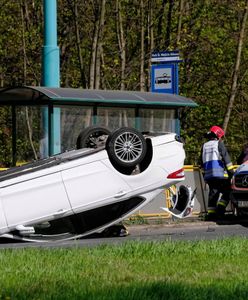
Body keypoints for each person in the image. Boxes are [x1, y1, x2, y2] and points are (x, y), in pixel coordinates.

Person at [200, 125, 235, 220]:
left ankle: (211, 214)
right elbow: (226, 159)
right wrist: (232, 173)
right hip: (220, 175)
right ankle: (220, 209)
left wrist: (204, 175)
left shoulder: (204, 145)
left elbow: (201, 162)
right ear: (218, 135)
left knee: (213, 193)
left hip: (209, 175)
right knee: (229, 191)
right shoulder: (219, 143)